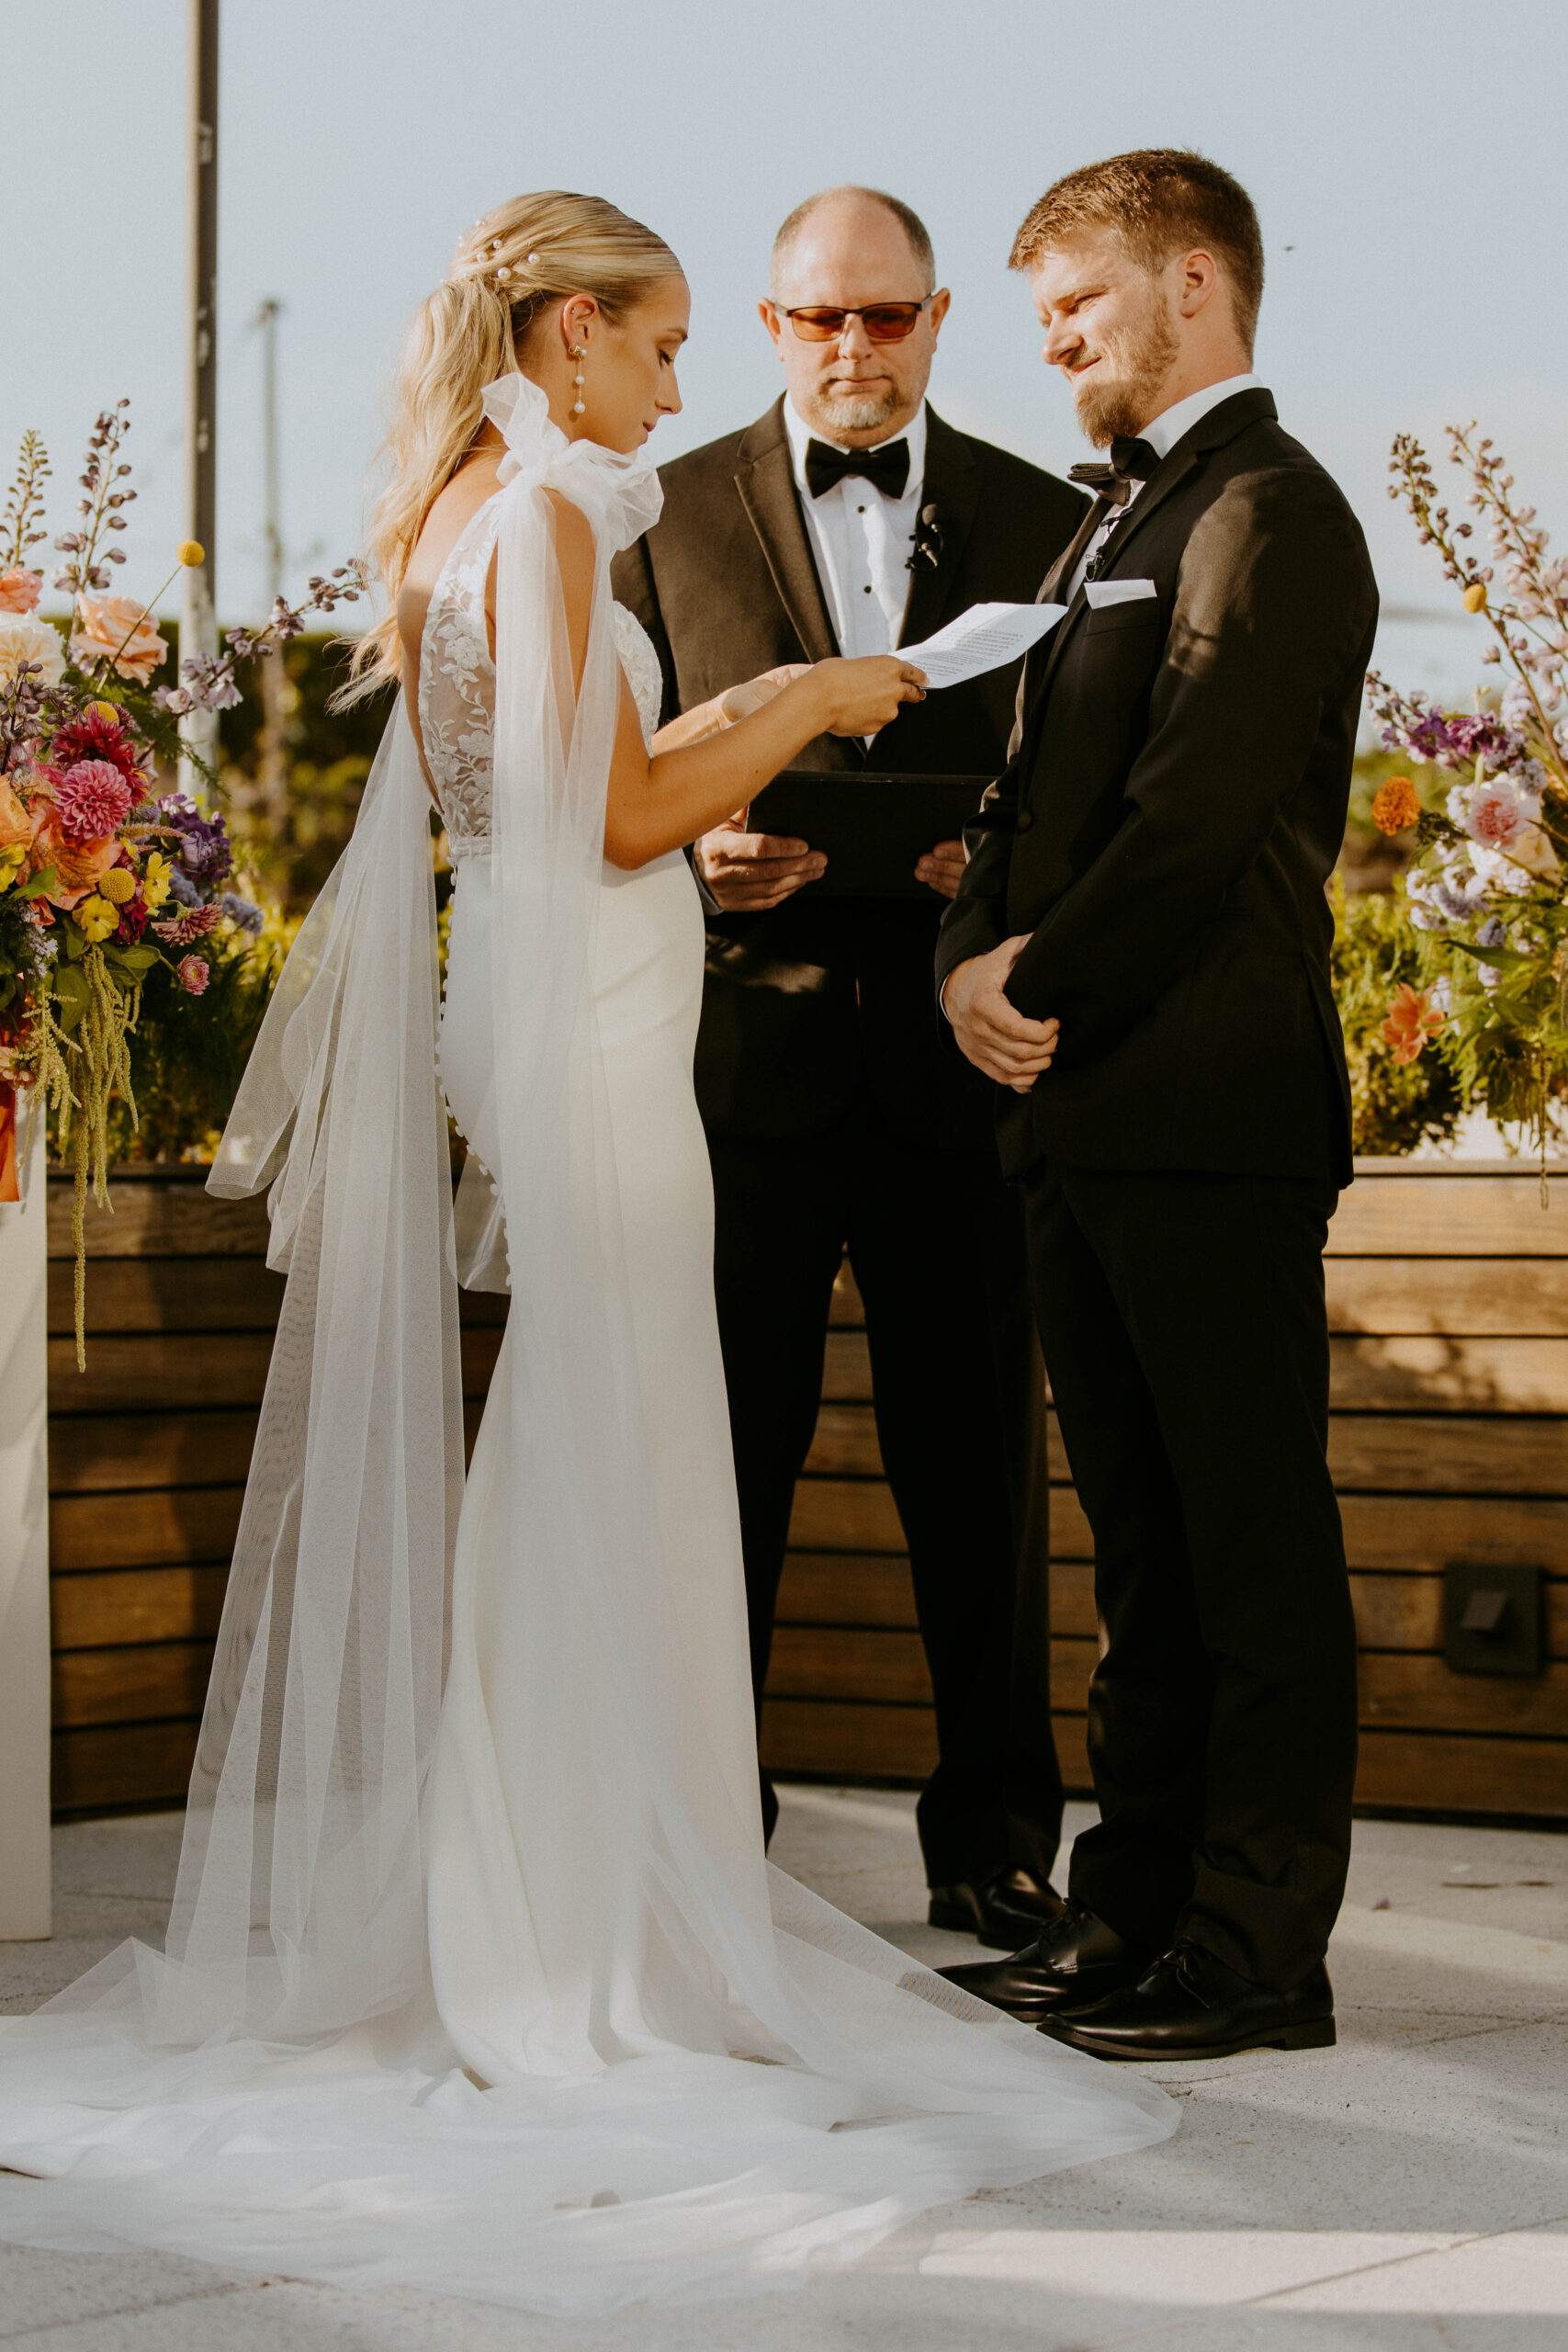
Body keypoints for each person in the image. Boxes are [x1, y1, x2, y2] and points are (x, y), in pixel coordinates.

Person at [0, 193, 1171, 2314]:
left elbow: (549, 803)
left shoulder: (473, 503)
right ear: (557, 342)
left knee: (600, 1431)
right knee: (610, 1429)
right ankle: (573, 1934)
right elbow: (614, 814)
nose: (668, 378)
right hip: (600, 1007)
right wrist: (810, 693)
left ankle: (571, 1883)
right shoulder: (538, 516)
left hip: (565, 994)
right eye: (647, 343)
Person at [937, 151, 1375, 2063]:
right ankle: (1132, 1907)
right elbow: (1016, 782)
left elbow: (1192, 810)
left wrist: (1023, 982)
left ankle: (1259, 1946)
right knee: (1138, 1555)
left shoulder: (1271, 513)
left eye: (1073, 311)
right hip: (1075, 1110)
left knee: (1247, 1543)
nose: (1051, 351)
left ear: (1193, 282)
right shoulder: (1104, 520)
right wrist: (962, 942)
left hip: (1203, 1100)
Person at [614, 187, 1088, 1947]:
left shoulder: (1047, 517)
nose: (856, 349)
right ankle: (703, 1830)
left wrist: (1005, 873)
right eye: (823, 321)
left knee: (978, 1470)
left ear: (942, 317)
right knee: (716, 1463)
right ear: (769, 328)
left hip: (969, 1073)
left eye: (887, 318)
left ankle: (994, 1837)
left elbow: (1081, 773)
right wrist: (687, 856)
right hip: (740, 1073)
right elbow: (588, 775)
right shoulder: (652, 515)